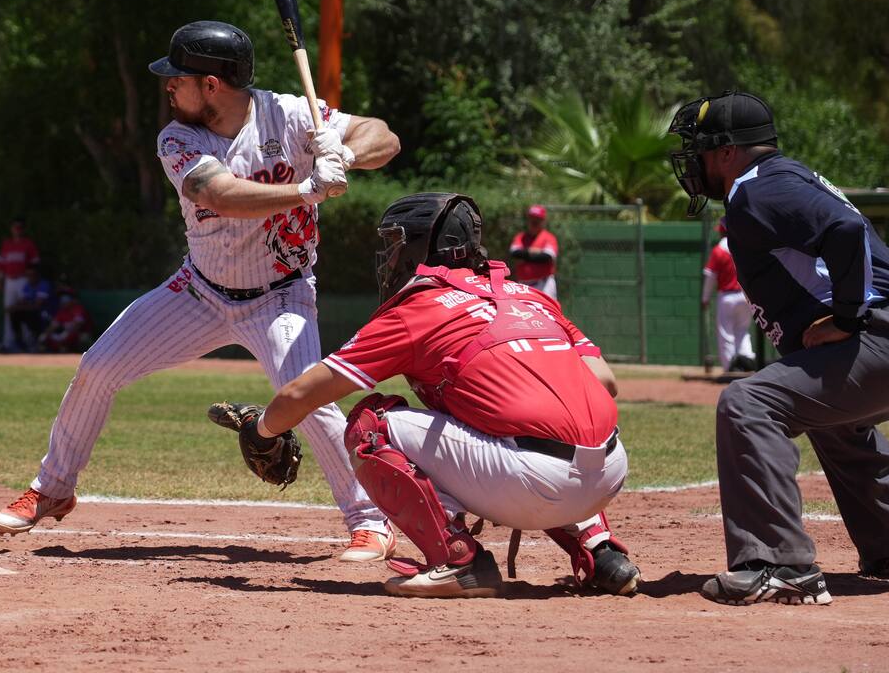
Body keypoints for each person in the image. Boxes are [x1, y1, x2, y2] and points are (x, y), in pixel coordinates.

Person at [0, 20, 402, 561]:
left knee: (310, 398)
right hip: (199, 291)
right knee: (97, 367)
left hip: (280, 294)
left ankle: (369, 519)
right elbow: (220, 193)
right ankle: (54, 487)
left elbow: (385, 137)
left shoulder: (290, 112)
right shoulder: (178, 137)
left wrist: (344, 152)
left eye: (178, 78)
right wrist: (307, 188)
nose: (169, 87)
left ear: (211, 84)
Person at [242, 192, 640, 598]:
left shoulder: (418, 309)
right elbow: (604, 382)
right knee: (539, 418)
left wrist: (262, 431)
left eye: (395, 243)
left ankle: (458, 561)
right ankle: (600, 552)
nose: (390, 256)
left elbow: (303, 393)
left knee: (371, 426)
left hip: (531, 483)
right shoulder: (529, 295)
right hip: (609, 473)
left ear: (421, 248)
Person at [668, 90, 889, 606]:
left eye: (702, 148)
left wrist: (847, 317)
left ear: (728, 151)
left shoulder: (758, 188)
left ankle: (778, 563)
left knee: (748, 403)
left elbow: (844, 231)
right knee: (831, 417)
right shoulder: (782, 179)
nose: (694, 162)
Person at [701, 217, 755, 372]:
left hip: (727, 296)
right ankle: (747, 362)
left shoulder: (718, 250)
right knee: (743, 331)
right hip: (746, 296)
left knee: (726, 333)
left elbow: (710, 276)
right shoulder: (743, 247)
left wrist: (705, 298)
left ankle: (730, 368)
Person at [0, 217, 41, 350]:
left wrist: (30, 277)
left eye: (20, 227)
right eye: (15, 227)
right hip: (10, 280)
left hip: (23, 280)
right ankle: (8, 343)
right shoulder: (7, 244)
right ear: (11, 229)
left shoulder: (28, 244)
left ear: (23, 229)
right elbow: (3, 263)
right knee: (9, 310)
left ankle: (28, 343)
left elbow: (35, 263)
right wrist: (1, 278)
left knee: (24, 310)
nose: (17, 230)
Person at [509, 204, 559, 299]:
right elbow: (514, 253)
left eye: (537, 219)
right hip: (523, 286)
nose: (534, 222)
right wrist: (532, 252)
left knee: (546, 312)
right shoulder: (521, 237)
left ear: (543, 221)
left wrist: (525, 256)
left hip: (544, 285)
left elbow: (546, 257)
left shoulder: (548, 237)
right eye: (532, 219)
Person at [6, 265, 56, 352]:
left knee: (32, 315)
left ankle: (37, 343)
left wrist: (18, 307)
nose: (30, 277)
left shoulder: (44, 285)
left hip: (47, 313)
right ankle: (19, 342)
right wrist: (14, 307)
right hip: (32, 312)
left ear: (37, 275)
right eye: (28, 275)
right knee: (14, 314)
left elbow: (38, 305)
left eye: (32, 275)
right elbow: (23, 301)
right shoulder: (27, 286)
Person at [39, 286, 93, 353]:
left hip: (79, 333)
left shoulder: (78, 309)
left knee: (79, 338)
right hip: (63, 335)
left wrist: (65, 334)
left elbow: (78, 325)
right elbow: (54, 325)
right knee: (47, 339)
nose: (63, 299)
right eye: (62, 297)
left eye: (66, 297)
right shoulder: (62, 311)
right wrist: (45, 334)